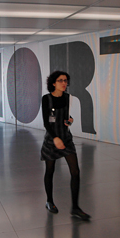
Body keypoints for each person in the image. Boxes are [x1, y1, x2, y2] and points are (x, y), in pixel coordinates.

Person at [41, 70, 90, 220]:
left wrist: (70, 120)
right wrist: (55, 138)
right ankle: (49, 201)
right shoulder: (46, 99)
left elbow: (65, 116)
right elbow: (46, 122)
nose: (64, 83)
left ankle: (75, 207)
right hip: (52, 139)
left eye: (66, 81)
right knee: (50, 171)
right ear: (53, 83)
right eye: (61, 80)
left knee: (75, 171)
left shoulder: (68, 98)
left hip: (66, 139)